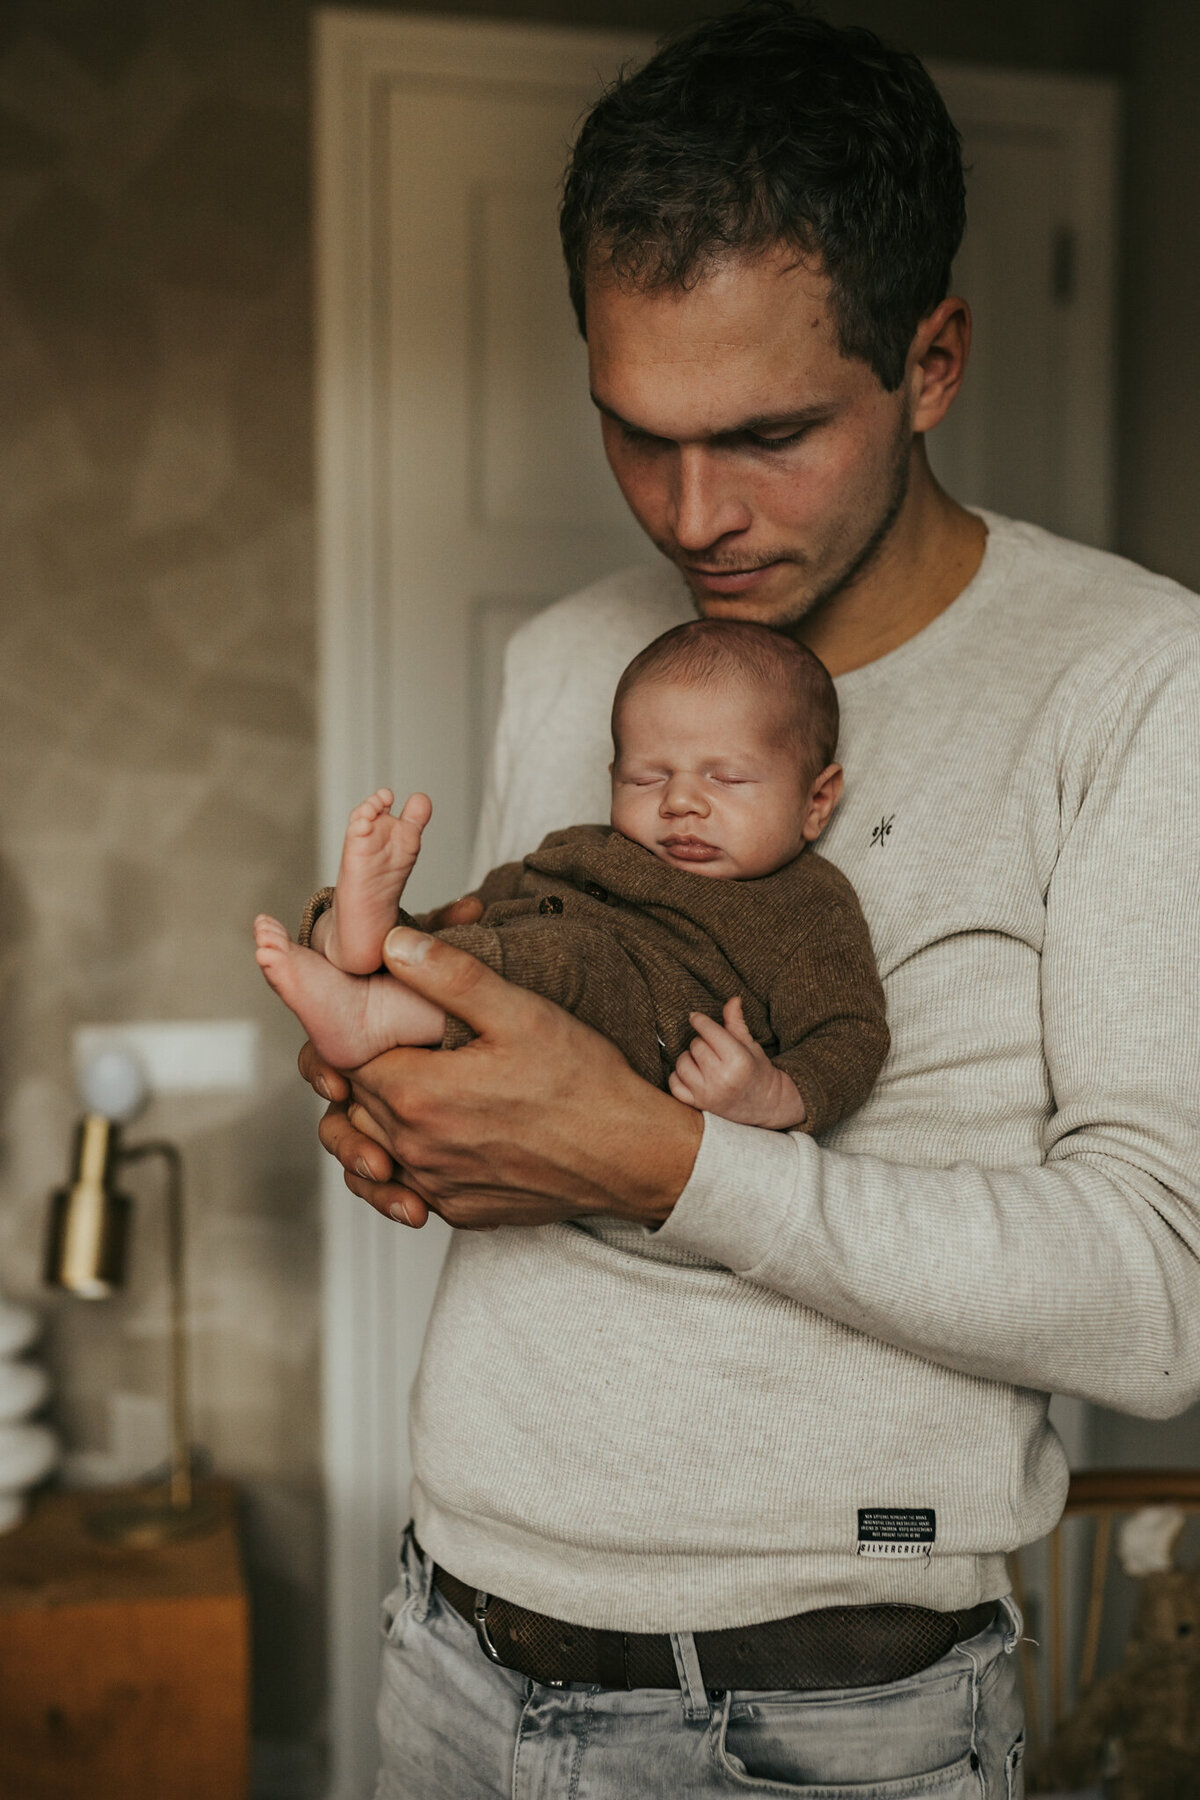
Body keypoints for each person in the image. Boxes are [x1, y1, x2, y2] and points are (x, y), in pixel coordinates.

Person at [302, 6, 1200, 1794]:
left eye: (768, 435)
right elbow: (530, 1022)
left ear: (932, 361)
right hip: (454, 1641)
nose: (691, 515)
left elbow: (1159, 1298)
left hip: (830, 1718)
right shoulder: (570, 660)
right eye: (634, 434)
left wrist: (674, 1164)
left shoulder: (1137, 679)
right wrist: (400, 1112)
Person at [255, 620, 889, 1134]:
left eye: (726, 778)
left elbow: (849, 1032)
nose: (680, 803)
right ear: (614, 779)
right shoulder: (588, 848)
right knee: (460, 934)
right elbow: (485, 906)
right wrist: (417, 930)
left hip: (637, 1028)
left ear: (816, 802)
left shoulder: (807, 904)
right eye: (647, 778)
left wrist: (775, 1094)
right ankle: (357, 934)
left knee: (571, 957)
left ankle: (373, 1009)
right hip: (507, 990)